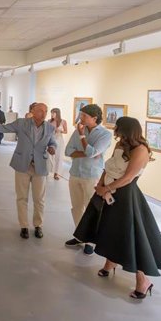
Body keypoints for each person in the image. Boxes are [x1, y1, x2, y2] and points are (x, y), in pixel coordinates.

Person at [73, 117, 161, 300]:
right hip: (107, 192)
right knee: (110, 230)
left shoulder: (141, 150)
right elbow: (109, 167)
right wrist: (101, 184)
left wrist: (107, 189)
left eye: (119, 129)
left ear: (127, 130)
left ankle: (142, 281)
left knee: (130, 236)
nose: (116, 132)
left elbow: (128, 178)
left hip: (125, 196)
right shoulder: (121, 145)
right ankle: (110, 262)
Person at [0, 103, 57, 239]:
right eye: (40, 111)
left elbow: (52, 142)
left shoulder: (49, 127)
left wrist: (53, 147)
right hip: (22, 165)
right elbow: (3, 128)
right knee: (22, 197)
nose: (43, 114)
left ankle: (38, 225)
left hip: (40, 166)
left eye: (45, 111)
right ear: (32, 111)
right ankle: (24, 226)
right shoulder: (21, 123)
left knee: (39, 199)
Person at [63, 104, 112, 254]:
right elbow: (68, 151)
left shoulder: (105, 134)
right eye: (81, 114)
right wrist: (88, 153)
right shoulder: (77, 130)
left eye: (84, 116)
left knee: (91, 209)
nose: (80, 118)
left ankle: (90, 241)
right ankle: (80, 236)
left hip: (92, 176)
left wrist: (83, 138)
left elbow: (93, 153)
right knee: (76, 207)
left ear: (94, 118)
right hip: (75, 173)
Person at [49, 108, 68, 180]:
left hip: (59, 140)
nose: (52, 115)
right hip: (51, 140)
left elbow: (66, 131)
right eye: (51, 113)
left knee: (59, 157)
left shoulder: (63, 122)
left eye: (53, 113)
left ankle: (56, 174)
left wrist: (60, 130)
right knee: (50, 157)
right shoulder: (49, 121)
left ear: (57, 113)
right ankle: (48, 171)